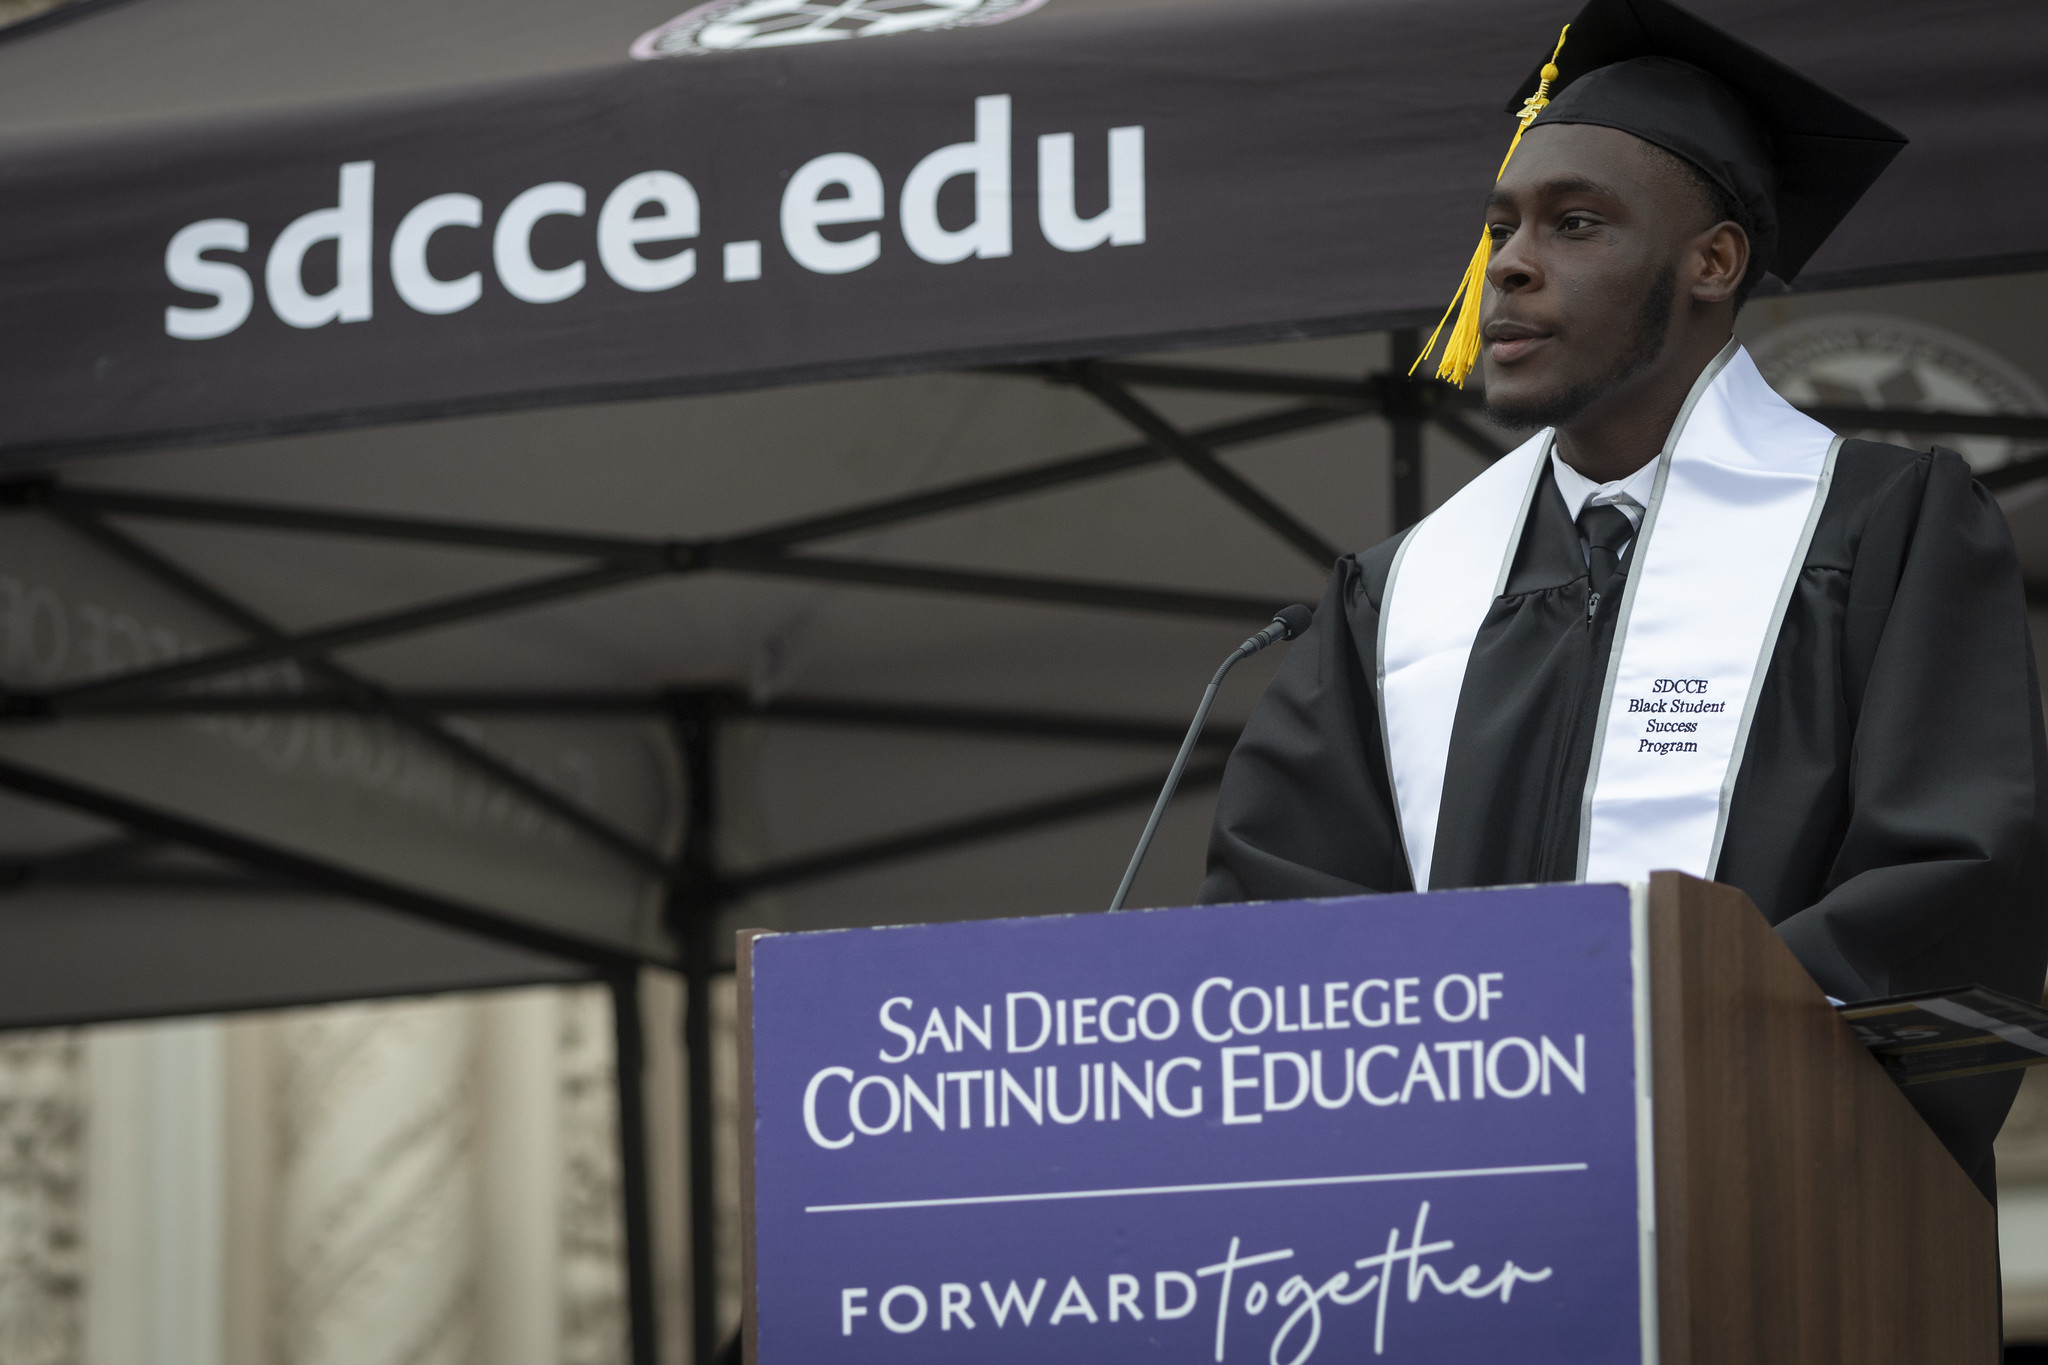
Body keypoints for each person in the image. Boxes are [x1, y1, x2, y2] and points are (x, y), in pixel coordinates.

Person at [1201, 0, 2048, 1202]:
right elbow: (1274, 924)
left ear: (1711, 262)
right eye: (1499, 227)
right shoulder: (1394, 600)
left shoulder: (1878, 531)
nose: (1508, 262)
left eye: (1575, 223)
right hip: (1458, 1233)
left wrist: (1624, 1055)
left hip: (1770, 1219)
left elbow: (1955, 887)